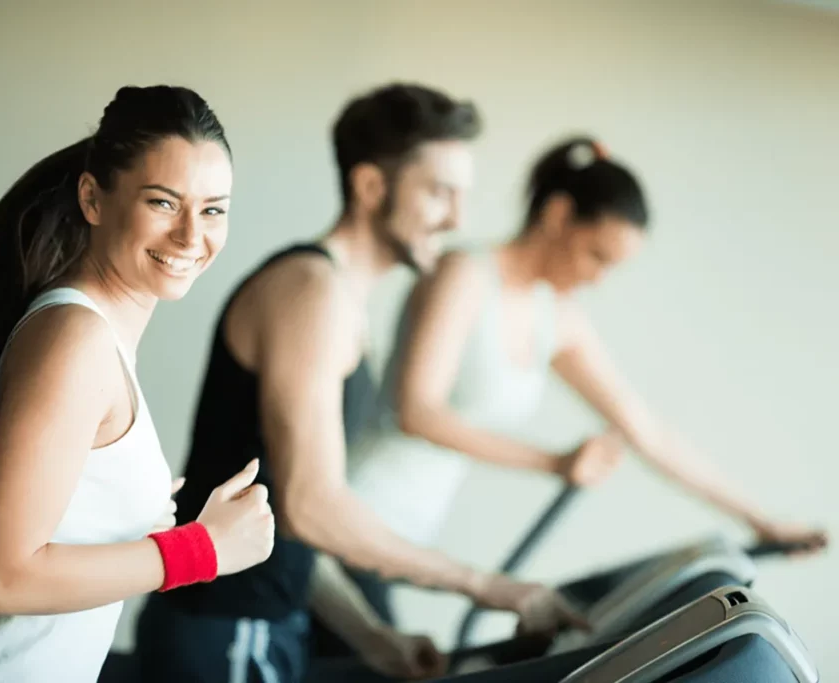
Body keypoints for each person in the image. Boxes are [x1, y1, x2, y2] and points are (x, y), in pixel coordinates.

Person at [134, 83, 595, 683]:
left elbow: (280, 514)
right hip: (223, 624)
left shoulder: (339, 301)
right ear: (371, 186)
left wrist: (371, 637)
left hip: (264, 620)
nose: (457, 218)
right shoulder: (311, 293)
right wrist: (486, 586)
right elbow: (312, 505)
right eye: (438, 192)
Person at [0, 84, 276, 683]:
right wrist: (200, 552)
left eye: (212, 209)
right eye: (162, 203)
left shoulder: (69, 329)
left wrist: (111, 542)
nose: (191, 237)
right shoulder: (71, 341)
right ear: (93, 198)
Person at [345, 135, 829, 587]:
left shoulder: (556, 316)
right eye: (596, 255)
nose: (598, 279)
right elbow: (417, 412)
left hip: (407, 534)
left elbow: (647, 431)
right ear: (558, 215)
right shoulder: (465, 274)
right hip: (350, 506)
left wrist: (758, 519)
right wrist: (553, 461)